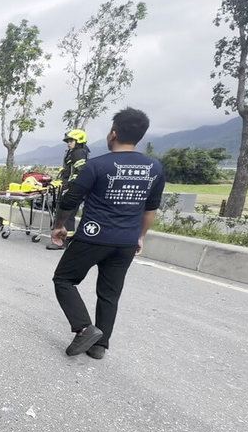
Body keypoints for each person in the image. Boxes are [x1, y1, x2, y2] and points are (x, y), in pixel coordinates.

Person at [50, 108, 165, 359]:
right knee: (110, 293)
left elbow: (70, 199)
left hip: (93, 237)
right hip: (126, 242)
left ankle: (84, 329)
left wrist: (59, 225)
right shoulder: (154, 168)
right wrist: (140, 236)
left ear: (113, 133)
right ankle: (99, 346)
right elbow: (150, 209)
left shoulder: (97, 165)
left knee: (64, 279)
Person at [46, 129, 91, 250]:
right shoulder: (76, 152)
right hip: (72, 188)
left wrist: (70, 186)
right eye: (68, 141)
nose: (68, 143)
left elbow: (81, 172)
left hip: (73, 189)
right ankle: (66, 240)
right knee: (68, 214)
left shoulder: (78, 153)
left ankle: (63, 241)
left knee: (67, 215)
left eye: (71, 141)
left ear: (79, 141)